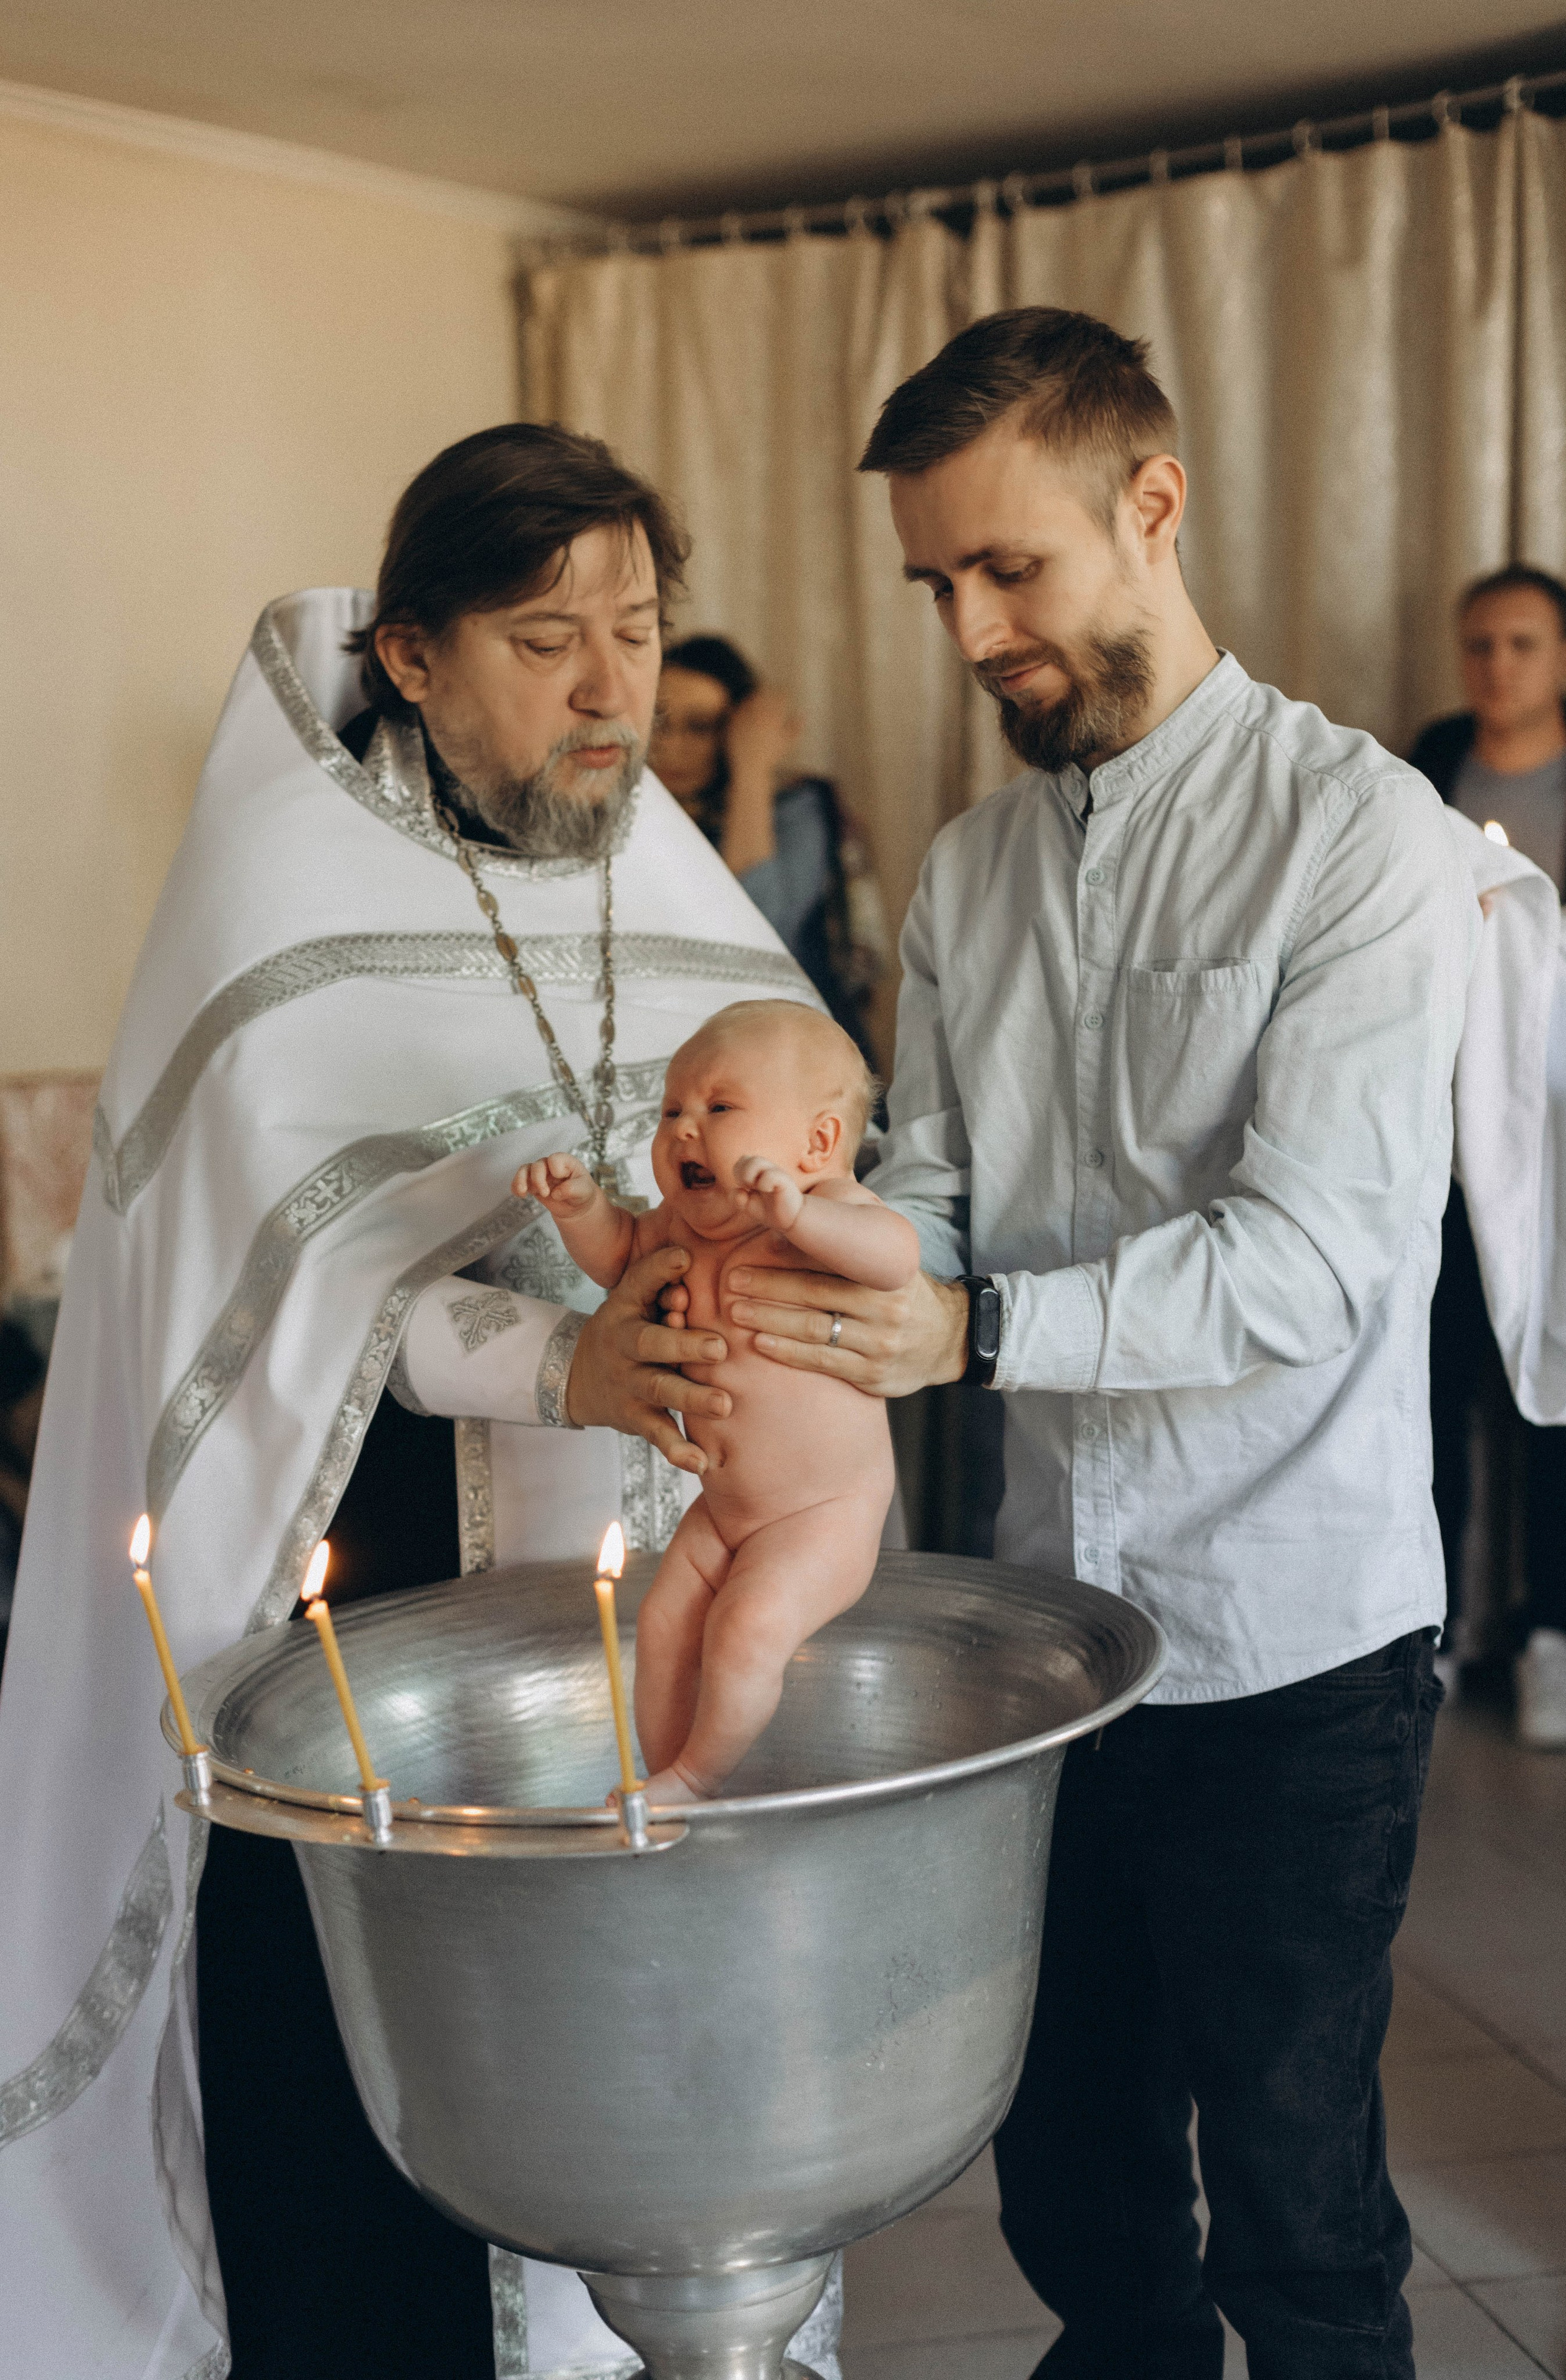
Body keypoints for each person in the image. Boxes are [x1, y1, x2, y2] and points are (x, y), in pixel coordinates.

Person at [0, 425, 843, 2380]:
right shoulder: (273, 917)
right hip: (356, 1635)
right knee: (366, 2154)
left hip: (633, 1617)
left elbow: (818, 1149)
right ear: (409, 656)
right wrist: (562, 1353)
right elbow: (268, 1297)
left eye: (638, 628)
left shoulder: (676, 882)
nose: (614, 687)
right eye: (548, 639)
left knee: (632, 2108)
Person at [716, 307, 1474, 2378]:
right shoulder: (966, 877)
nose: (967, 630)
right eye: (935, 584)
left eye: (1007, 569)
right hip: (1043, 1641)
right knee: (1071, 2177)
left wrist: (965, 1326)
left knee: (1302, 2210)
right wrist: (809, 1259)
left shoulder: (1360, 842)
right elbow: (945, 1190)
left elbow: (1309, 1263)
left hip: (1295, 1648)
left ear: (1153, 507)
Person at [520, 999, 911, 1801]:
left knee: (744, 1630)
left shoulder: (828, 1215)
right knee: (664, 1624)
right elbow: (619, 1256)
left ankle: (699, 1777)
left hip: (824, 1510)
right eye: (673, 1111)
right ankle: (665, 1777)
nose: (685, 1130)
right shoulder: (676, 1228)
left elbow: (895, 1258)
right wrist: (582, 1210)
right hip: (725, 1506)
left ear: (819, 1143)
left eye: (720, 1107)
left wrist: (802, 1217)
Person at [1410, 563, 1566, 1748]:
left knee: (1548, 1379)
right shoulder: (1422, 764)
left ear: (1565, 654)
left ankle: (1554, 1636)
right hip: (1437, 1119)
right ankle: (1425, 1629)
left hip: (1563, 1116)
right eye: (1479, 644)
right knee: (1429, 1380)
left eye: (1521, 644)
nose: (1498, 667)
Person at [650, 634, 887, 1059]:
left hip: (791, 1055)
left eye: (700, 727)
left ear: (738, 731)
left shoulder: (796, 805)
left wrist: (753, 770)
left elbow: (758, 937)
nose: (669, 745)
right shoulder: (628, 814)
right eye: (659, 722)